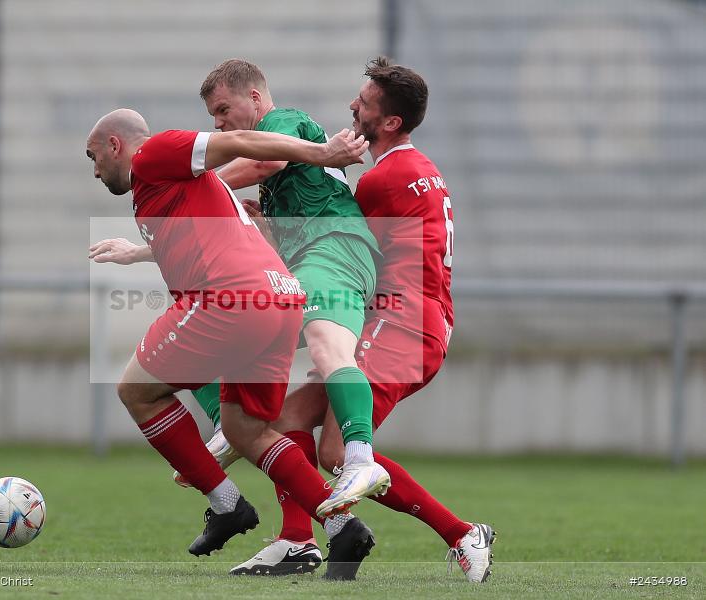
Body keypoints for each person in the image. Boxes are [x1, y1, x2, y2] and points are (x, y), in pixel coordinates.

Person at [227, 58, 496, 582]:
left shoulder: (383, 178)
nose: (354, 106)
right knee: (285, 423)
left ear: (390, 122)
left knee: (336, 450)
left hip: (405, 323)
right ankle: (297, 540)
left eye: (366, 103)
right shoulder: (414, 169)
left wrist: (270, 217)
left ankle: (463, 533)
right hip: (407, 318)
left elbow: (338, 241)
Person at [86, 108, 375, 580]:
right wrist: (135, 253)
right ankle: (343, 526)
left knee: (136, 391)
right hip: (280, 298)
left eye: (93, 156)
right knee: (247, 429)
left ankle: (227, 505)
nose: (95, 170)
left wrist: (322, 153)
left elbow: (241, 140)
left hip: (229, 298)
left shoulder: (154, 155)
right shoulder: (172, 188)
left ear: (116, 145)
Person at [185, 59, 391, 519]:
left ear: (255, 98)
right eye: (213, 116)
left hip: (335, 249)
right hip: (306, 263)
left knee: (326, 346)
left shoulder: (282, 121)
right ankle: (229, 429)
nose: (218, 124)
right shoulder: (279, 177)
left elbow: (265, 160)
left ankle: (361, 459)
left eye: (223, 110)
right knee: (212, 327)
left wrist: (195, 186)